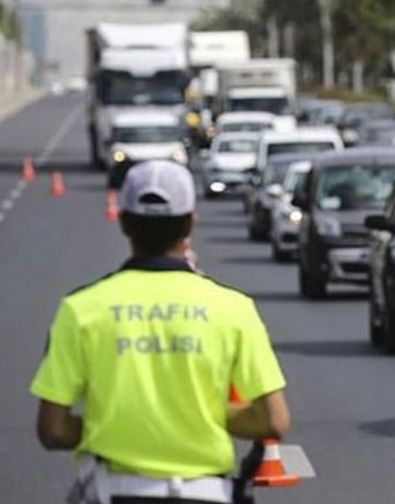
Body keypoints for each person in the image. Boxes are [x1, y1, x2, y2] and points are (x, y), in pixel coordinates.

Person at [30, 160, 290, 504]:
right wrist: (199, 414)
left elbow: (53, 430)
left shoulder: (80, 309)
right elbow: (273, 420)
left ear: (124, 223)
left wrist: (114, 424)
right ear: (190, 224)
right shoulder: (233, 308)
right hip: (206, 493)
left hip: (113, 492)